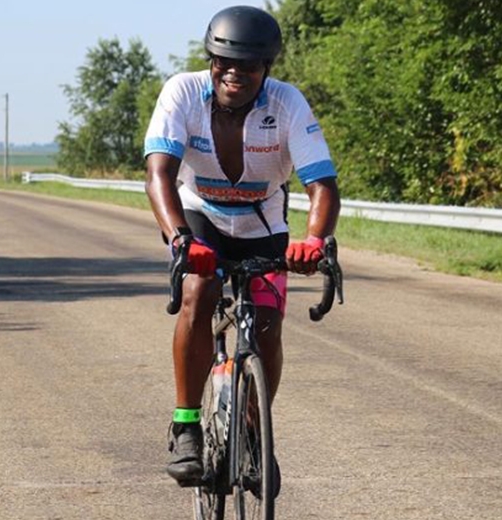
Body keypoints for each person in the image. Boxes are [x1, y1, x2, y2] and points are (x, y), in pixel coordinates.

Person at [143, 5, 340, 490]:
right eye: (222, 62)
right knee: (198, 293)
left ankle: (254, 433)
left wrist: (313, 241)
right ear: (209, 60)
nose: (233, 73)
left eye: (247, 66)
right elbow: (159, 174)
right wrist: (179, 239)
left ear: (266, 68)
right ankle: (187, 424)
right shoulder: (182, 93)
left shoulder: (287, 103)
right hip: (198, 216)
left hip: (262, 221)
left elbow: (322, 185)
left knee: (267, 326)